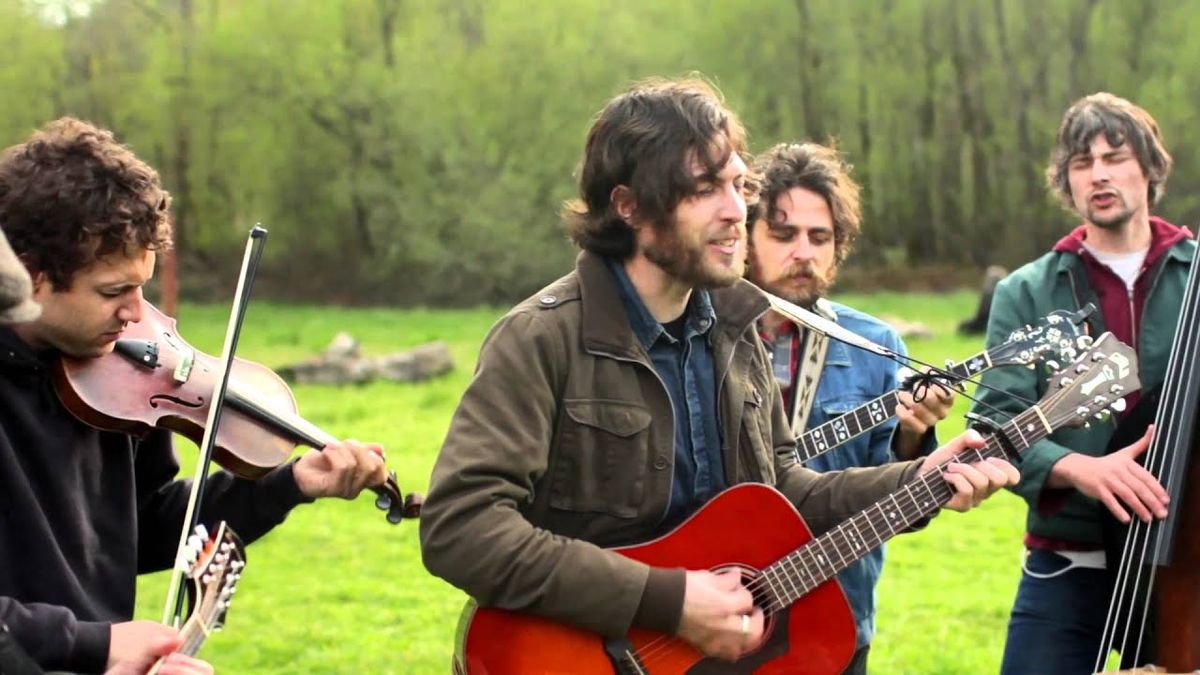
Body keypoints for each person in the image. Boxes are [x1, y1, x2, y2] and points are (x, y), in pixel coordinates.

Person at [419, 77, 1017, 665]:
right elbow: (461, 527)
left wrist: (917, 479)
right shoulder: (540, 340)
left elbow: (781, 491)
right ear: (629, 206)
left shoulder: (734, 331)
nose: (737, 212)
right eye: (705, 189)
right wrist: (669, 601)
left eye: (739, 184)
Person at [0, 118, 391, 675]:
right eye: (114, 292)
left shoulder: (118, 382)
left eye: (143, 286)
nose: (137, 315)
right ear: (32, 275)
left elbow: (148, 525)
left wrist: (289, 485)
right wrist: (92, 645)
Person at [972, 93, 1191, 674]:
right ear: (1066, 182)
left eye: (1115, 157)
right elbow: (995, 422)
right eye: (1080, 161)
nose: (1098, 173)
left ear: (1149, 168)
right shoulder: (1026, 291)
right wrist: (1084, 471)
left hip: (1189, 564)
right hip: (1069, 558)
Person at [744, 142, 954, 673]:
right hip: (718, 605)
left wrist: (912, 437)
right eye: (783, 233)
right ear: (746, 237)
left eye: (820, 237)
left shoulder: (873, 345)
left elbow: (903, 511)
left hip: (833, 620)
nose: (803, 252)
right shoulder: (705, 333)